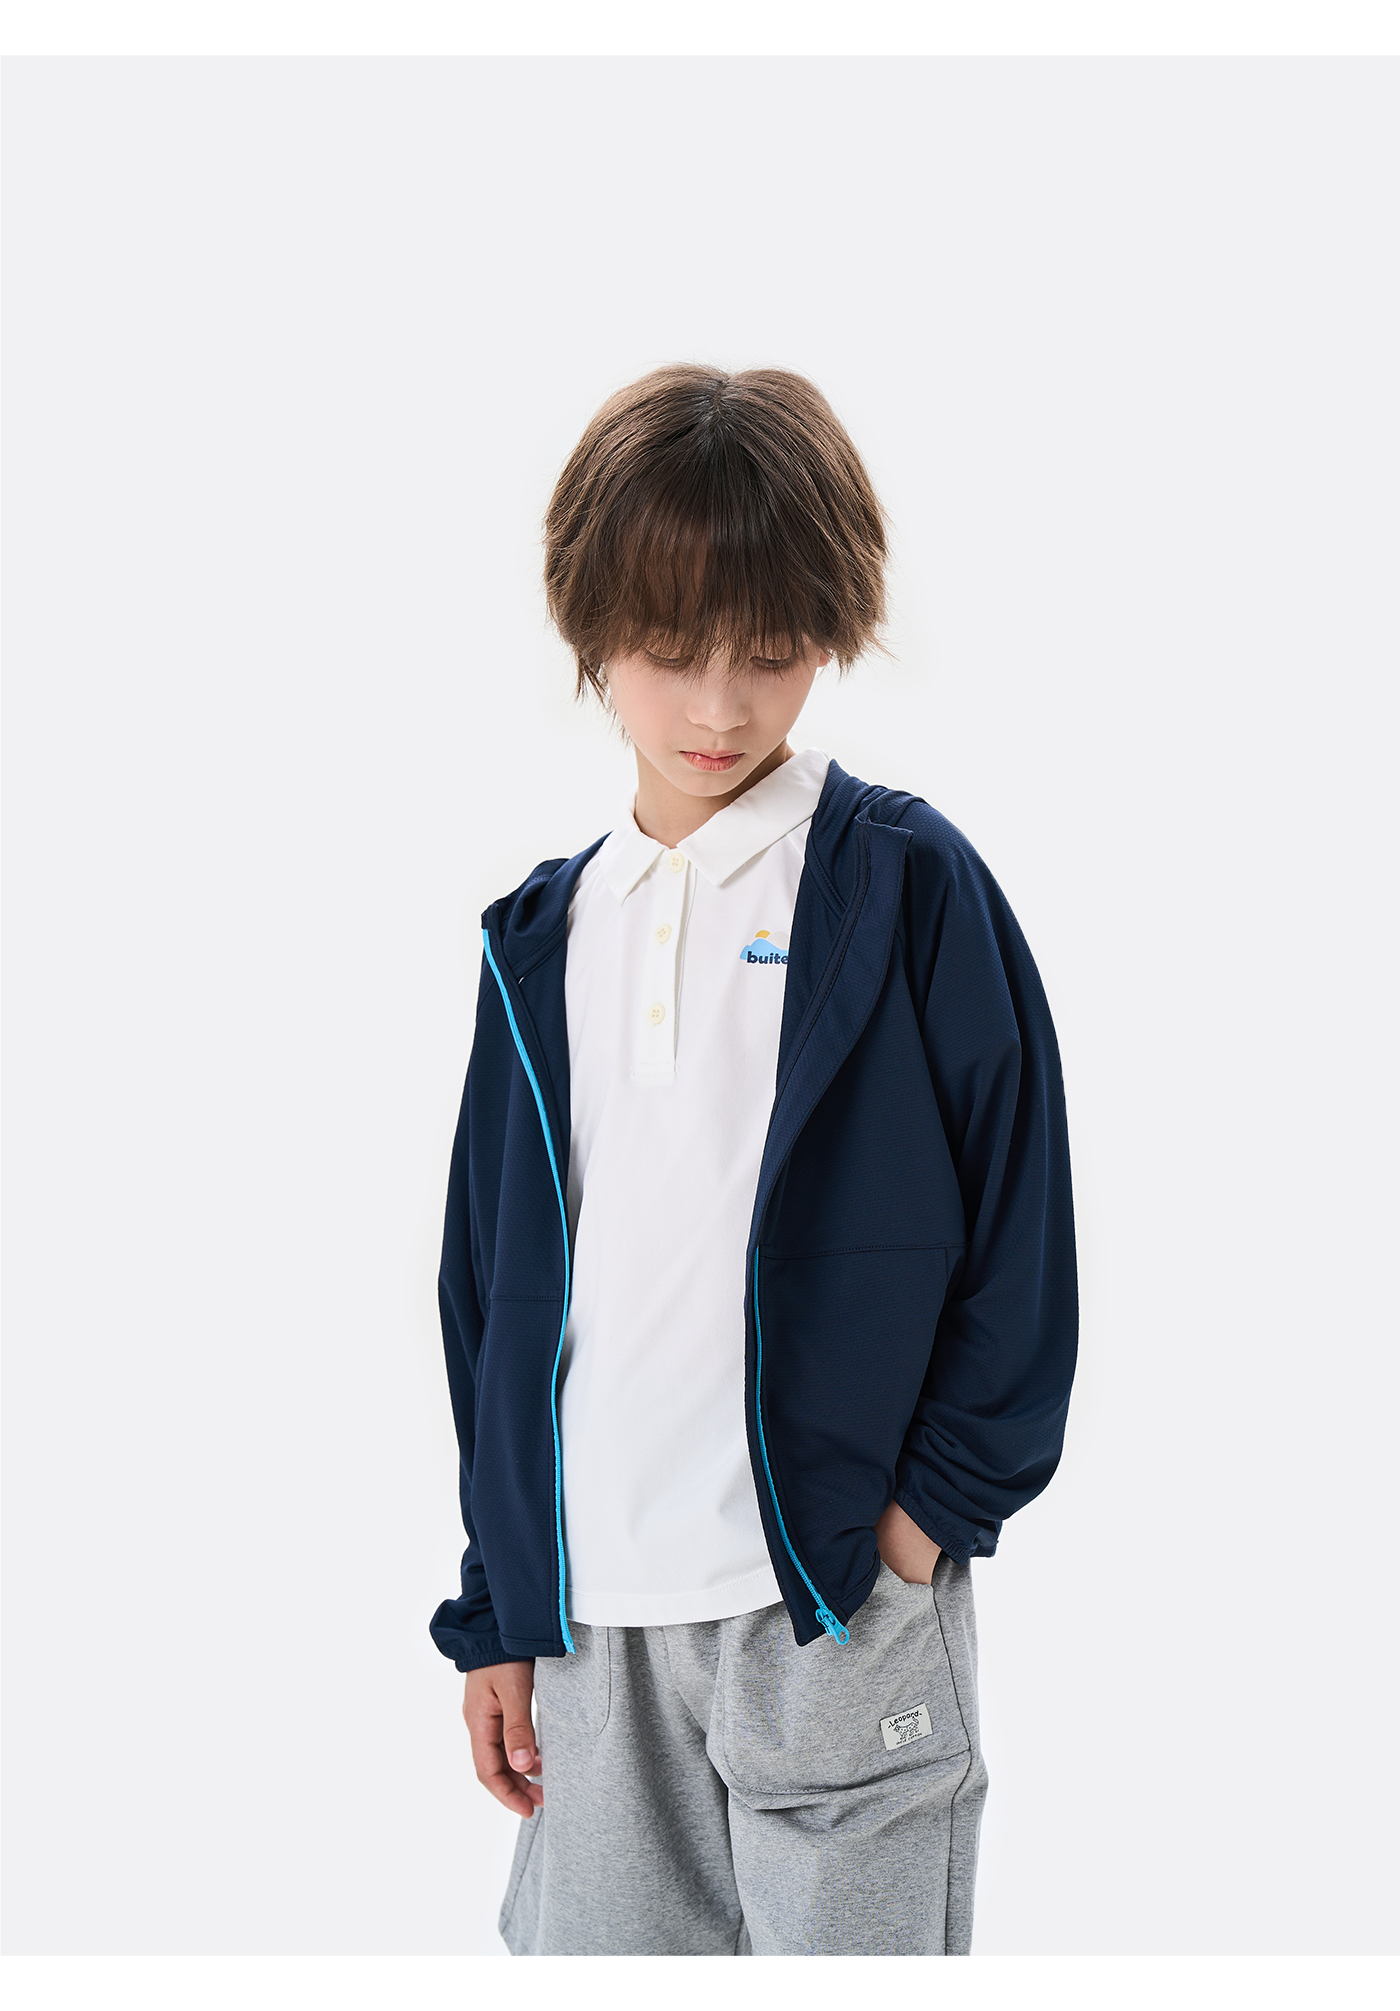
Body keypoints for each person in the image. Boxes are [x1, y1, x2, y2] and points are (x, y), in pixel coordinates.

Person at [429, 364, 1078, 1957]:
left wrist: (918, 1531)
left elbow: (1022, 1232)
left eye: (771, 651)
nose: (720, 709)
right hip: (591, 1633)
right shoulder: (541, 938)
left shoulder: (904, 887)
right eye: (671, 651)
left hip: (828, 1606)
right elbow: (489, 1298)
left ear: (830, 631)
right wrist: (499, 1603)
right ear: (591, 631)